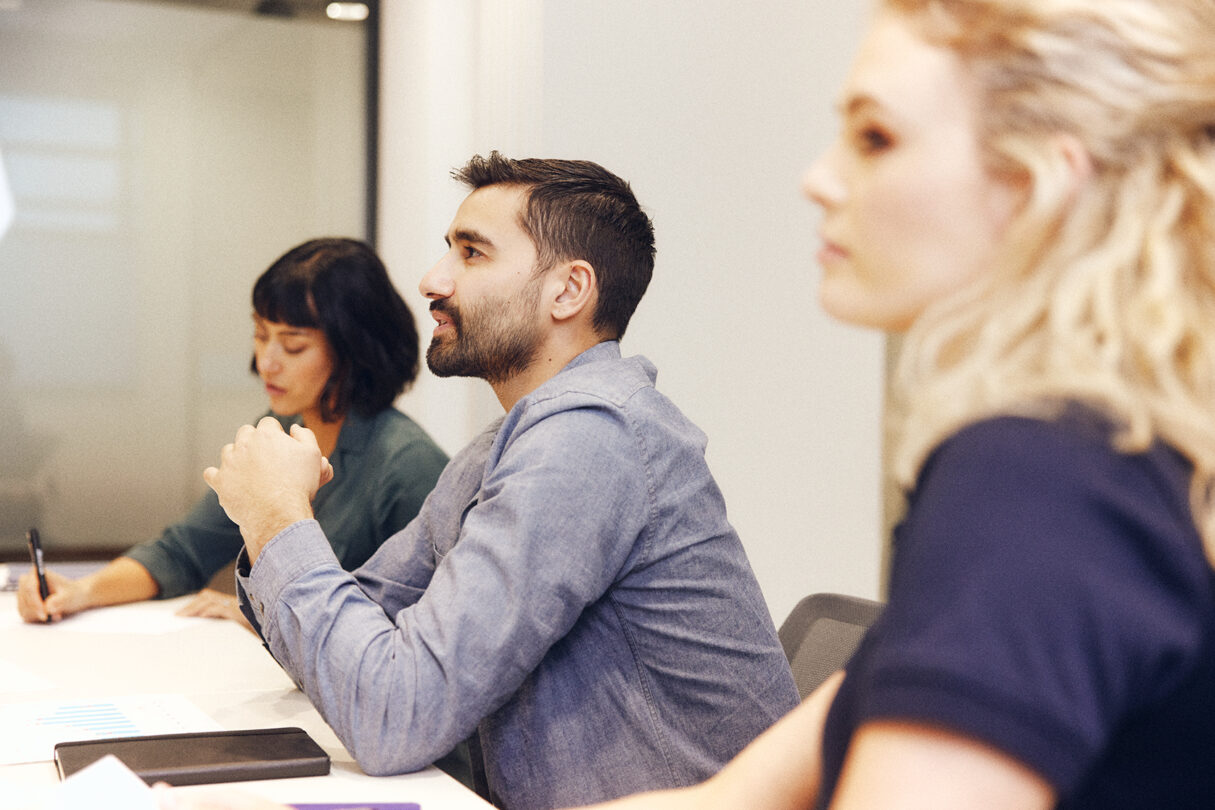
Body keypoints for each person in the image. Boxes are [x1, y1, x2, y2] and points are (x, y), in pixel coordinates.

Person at [564, 1, 1215, 809]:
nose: (819, 177)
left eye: (874, 137)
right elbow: (727, 803)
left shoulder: (1036, 477)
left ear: (1039, 183)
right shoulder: (1113, 458)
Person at [198, 153, 799, 810]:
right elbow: (359, 633)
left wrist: (276, 517)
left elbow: (393, 716)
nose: (433, 280)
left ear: (568, 291)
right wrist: (274, 530)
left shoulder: (592, 437)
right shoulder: (510, 441)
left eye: (472, 254)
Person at [17, 238, 449, 626]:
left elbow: (418, 629)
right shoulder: (282, 430)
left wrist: (256, 616)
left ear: (354, 349)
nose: (267, 361)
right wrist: (79, 592)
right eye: (261, 336)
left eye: (293, 344)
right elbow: (187, 549)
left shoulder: (409, 466)